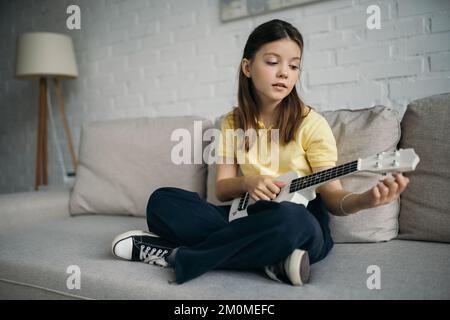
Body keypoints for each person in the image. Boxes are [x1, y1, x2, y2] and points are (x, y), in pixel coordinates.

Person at [111, 19, 410, 286]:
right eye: (272, 61)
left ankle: (176, 256)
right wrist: (248, 182)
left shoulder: (312, 124)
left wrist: (364, 200)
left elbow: (332, 196)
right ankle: (272, 261)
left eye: (293, 66)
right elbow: (222, 188)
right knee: (163, 201)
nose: (284, 73)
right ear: (247, 67)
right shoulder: (232, 122)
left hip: (299, 221)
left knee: (293, 222)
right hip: (242, 215)